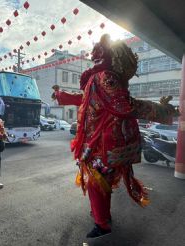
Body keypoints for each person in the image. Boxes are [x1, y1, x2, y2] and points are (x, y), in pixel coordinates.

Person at [52, 34, 179, 238]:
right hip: (97, 143)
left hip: (105, 144)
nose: (94, 56)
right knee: (100, 183)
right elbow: (83, 99)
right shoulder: (98, 78)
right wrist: (60, 96)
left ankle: (102, 223)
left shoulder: (105, 77)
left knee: (96, 183)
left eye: (98, 53)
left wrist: (163, 110)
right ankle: (101, 216)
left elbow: (125, 106)